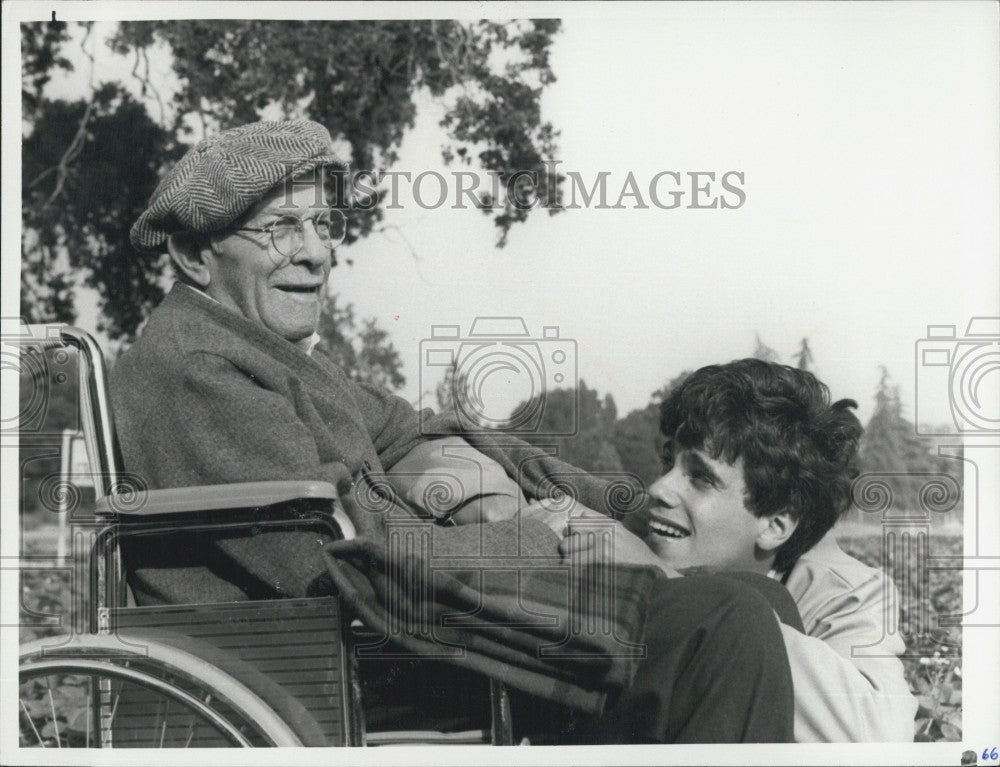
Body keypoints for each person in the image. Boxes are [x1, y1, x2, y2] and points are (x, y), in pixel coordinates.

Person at [113, 118, 799, 743]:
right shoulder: (197, 371)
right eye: (282, 228)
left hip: (415, 632)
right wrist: (541, 537)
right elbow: (346, 562)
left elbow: (437, 431)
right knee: (726, 627)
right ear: (193, 253)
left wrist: (633, 509)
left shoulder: (276, 355)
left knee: (756, 597)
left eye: (323, 224)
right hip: (361, 663)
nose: (318, 254)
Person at [535, 359, 918, 741]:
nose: (658, 488)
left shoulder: (844, 592)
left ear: (774, 525)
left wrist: (661, 579)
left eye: (700, 477)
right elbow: (541, 505)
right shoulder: (645, 528)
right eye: (669, 463)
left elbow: (879, 734)